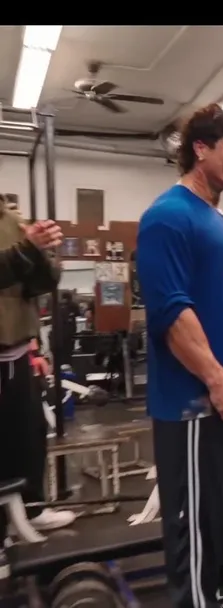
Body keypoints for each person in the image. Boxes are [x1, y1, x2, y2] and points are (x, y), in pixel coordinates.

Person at [135, 104, 223, 608]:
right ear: (200, 148)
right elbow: (172, 313)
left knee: (219, 512)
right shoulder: (168, 217)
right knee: (193, 521)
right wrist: (218, 380)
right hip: (193, 403)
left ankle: (214, 594)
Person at [0, 208, 77, 539]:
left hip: (16, 350)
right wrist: (26, 249)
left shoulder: (11, 219)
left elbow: (40, 284)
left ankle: (31, 509)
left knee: (28, 437)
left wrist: (41, 253)